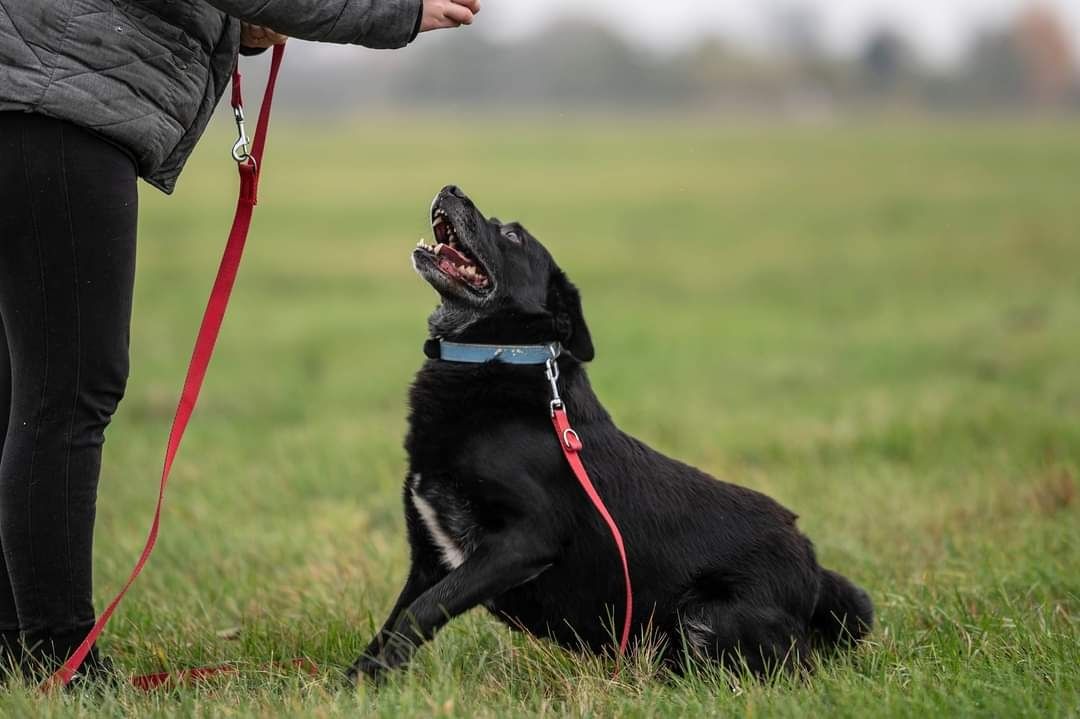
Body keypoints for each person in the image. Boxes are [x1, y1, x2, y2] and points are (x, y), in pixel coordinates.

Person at [0, 0, 480, 679]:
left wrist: (232, 28)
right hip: (55, 107)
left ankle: (16, 644)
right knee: (69, 389)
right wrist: (397, 10)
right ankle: (61, 655)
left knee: (22, 384)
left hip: (27, 89)